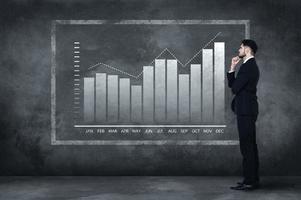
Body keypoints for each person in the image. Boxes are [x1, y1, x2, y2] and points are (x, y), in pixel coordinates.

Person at [227, 39, 260, 191]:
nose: (238, 50)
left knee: (247, 147)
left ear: (247, 49)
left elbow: (234, 88)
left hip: (246, 111)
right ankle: (251, 180)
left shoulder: (249, 67)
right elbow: (233, 86)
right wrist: (232, 67)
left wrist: (235, 71)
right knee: (249, 147)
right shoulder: (247, 66)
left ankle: (250, 182)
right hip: (246, 110)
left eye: (240, 47)